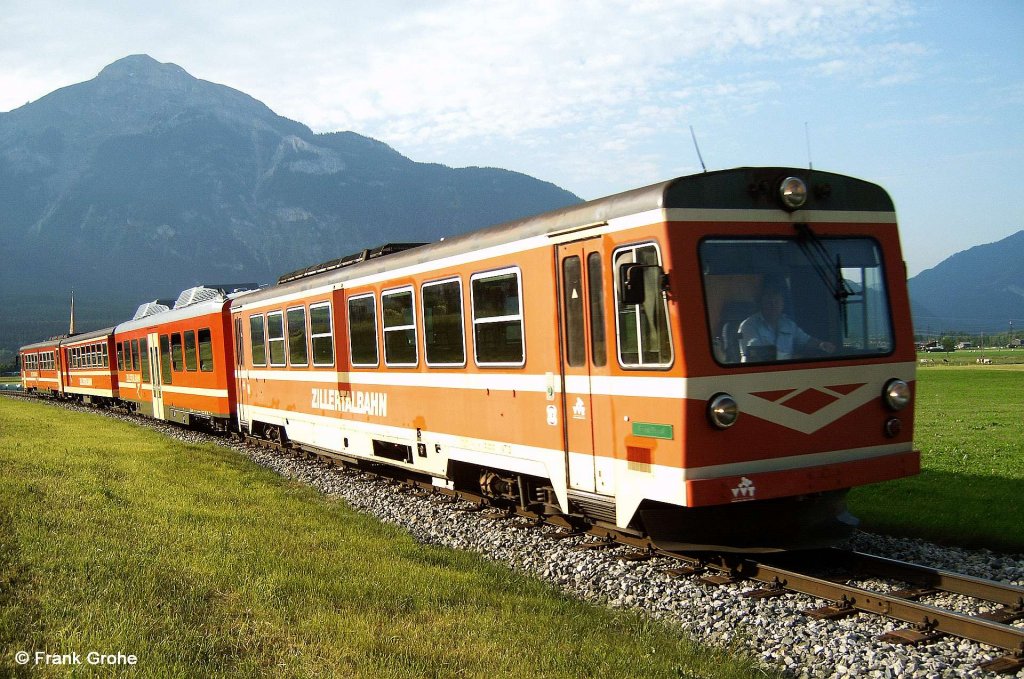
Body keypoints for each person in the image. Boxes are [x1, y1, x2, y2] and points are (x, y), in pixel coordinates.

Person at [738, 285, 835, 362]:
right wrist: (792, 358)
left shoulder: (788, 324)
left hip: (785, 371)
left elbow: (805, 340)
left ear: (782, 304)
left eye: (777, 302)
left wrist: (821, 344)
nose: (773, 305)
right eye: (769, 302)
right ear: (761, 304)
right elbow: (757, 354)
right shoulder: (748, 325)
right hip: (756, 373)